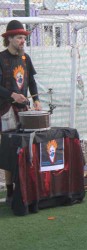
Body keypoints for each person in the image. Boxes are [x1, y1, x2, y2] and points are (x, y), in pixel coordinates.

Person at [0, 20, 42, 203]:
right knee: (9, 150)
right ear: (9, 38)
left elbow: (31, 82)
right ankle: (10, 190)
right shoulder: (0, 58)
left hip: (24, 111)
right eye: (19, 37)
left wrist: (37, 100)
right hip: (5, 110)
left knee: (25, 148)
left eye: (24, 38)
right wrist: (12, 95)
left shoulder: (26, 58)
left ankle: (26, 187)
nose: (22, 41)